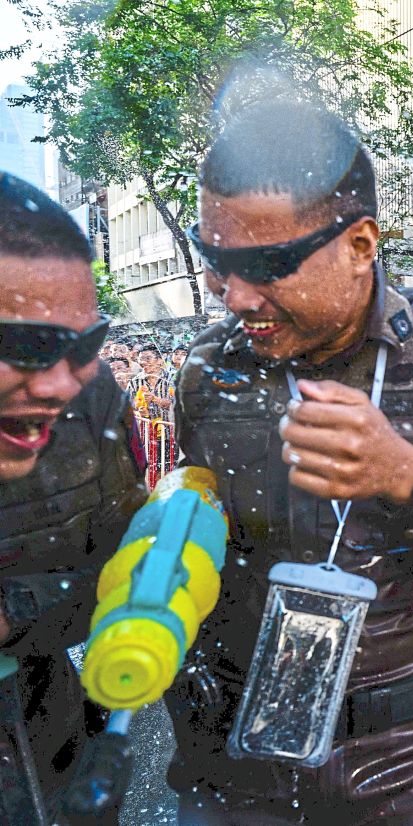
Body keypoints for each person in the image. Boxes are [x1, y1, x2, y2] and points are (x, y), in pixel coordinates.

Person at [169, 101, 413, 824]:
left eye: (268, 266)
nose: (235, 295)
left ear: (361, 243)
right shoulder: (206, 369)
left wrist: (406, 474)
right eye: (216, 260)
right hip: (245, 755)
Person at [0, 172, 146, 818]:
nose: (60, 382)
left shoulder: (91, 405)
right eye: (28, 347)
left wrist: (16, 612)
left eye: (83, 343)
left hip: (50, 738)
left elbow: (128, 568)